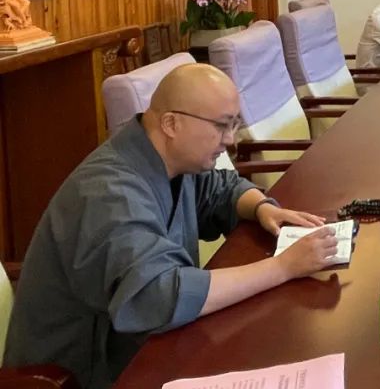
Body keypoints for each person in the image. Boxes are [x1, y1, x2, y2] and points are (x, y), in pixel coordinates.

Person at [3, 64, 341, 389]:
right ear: (171, 124)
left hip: (147, 349)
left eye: (235, 124)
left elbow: (219, 189)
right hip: (86, 374)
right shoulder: (109, 193)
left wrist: (262, 207)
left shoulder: (168, 160)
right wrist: (283, 267)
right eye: (221, 126)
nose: (230, 140)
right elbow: (162, 295)